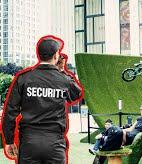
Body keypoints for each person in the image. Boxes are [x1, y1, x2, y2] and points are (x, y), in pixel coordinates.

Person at [1, 36, 83, 164]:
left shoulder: (24, 78)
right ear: (56, 56)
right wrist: (62, 71)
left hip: (29, 142)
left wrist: (9, 141)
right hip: (55, 143)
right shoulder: (63, 79)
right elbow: (77, 94)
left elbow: (10, 112)